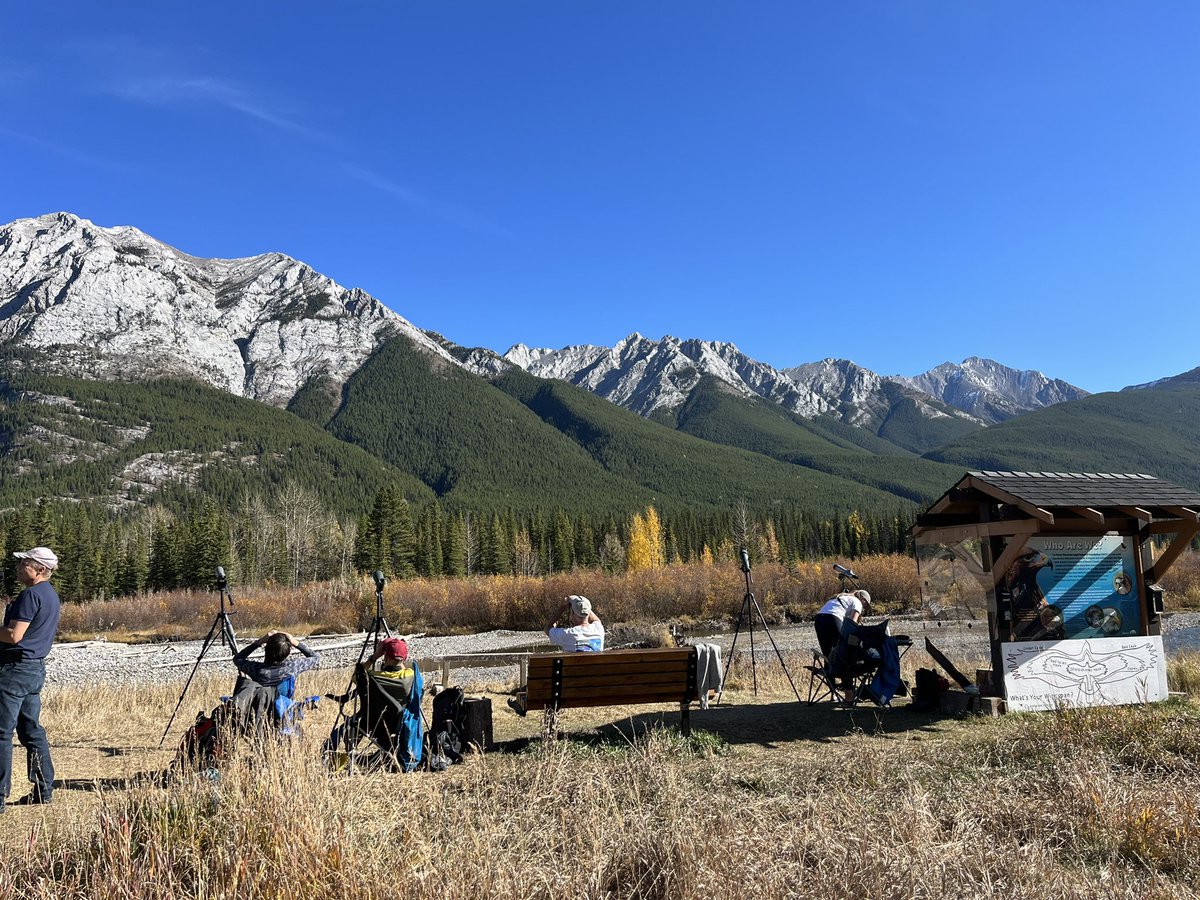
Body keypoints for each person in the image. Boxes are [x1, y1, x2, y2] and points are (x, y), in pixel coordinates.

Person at [0, 547, 62, 811]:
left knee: (2, 732)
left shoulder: (30, 595)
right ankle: (43, 789)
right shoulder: (50, 595)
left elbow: (14, 635)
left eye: (24, 562)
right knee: (31, 730)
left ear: (39, 569)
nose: (18, 566)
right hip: (34, 669)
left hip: (14, 669)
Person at [508, 595, 605, 716]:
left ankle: (524, 704)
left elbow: (547, 628)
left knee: (545, 681)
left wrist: (563, 606)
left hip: (568, 687)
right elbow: (595, 619)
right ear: (587, 613)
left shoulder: (568, 634)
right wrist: (582, 603)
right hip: (595, 684)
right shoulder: (599, 629)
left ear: (573, 614)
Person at [231, 631, 321, 731]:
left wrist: (259, 642)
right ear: (287, 652)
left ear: (266, 650)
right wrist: (294, 642)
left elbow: (237, 659)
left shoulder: (257, 670)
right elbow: (316, 658)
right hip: (283, 713)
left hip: (259, 714)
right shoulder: (292, 667)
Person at [814, 589, 871, 658]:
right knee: (844, 645)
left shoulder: (841, 597)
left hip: (819, 619)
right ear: (862, 598)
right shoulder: (857, 602)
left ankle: (828, 668)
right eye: (866, 604)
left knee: (827, 651)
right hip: (833, 618)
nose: (864, 607)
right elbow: (852, 623)